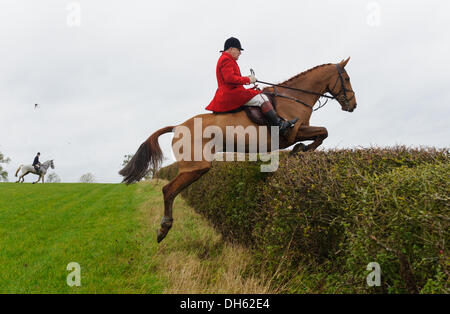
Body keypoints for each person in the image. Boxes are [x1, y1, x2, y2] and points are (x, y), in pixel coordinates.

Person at [205, 37, 298, 136]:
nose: (240, 53)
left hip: (232, 92)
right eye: (238, 50)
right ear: (231, 49)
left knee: (257, 94)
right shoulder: (226, 60)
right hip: (231, 95)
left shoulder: (227, 59)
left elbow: (233, 79)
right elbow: (230, 78)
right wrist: (248, 79)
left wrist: (248, 81)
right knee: (261, 99)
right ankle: (279, 125)